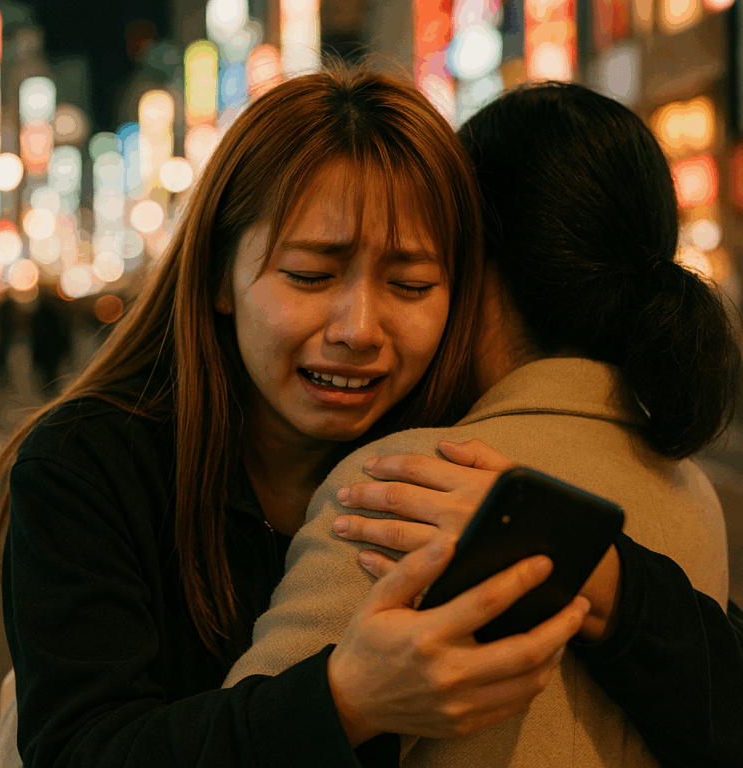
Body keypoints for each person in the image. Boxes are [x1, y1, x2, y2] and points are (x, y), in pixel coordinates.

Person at [0, 66, 590, 768]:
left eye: (410, 284)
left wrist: (608, 574)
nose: (359, 328)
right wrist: (342, 703)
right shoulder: (89, 461)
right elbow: (80, 749)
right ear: (218, 277)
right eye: (310, 274)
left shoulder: (467, 456)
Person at [221, 81, 743, 767]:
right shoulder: (690, 491)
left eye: (411, 277)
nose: (361, 327)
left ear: (473, 269)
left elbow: (240, 740)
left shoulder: (413, 482)